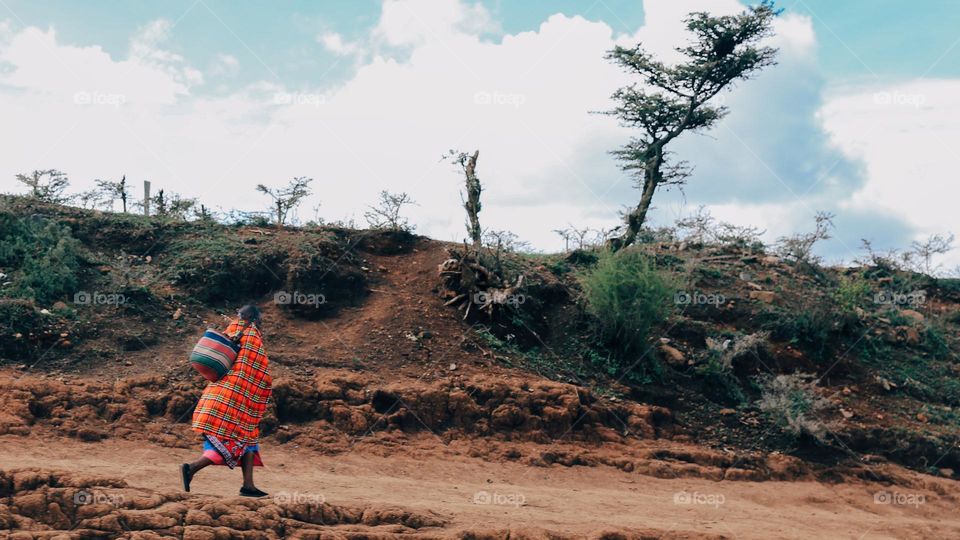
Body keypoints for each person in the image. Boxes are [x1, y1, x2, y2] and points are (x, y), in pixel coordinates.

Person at [181, 305, 273, 497]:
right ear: (255, 318)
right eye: (261, 319)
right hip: (233, 399)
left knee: (249, 440)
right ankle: (192, 468)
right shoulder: (252, 337)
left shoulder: (231, 331)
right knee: (231, 442)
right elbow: (257, 370)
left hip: (219, 395)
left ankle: (248, 486)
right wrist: (264, 387)